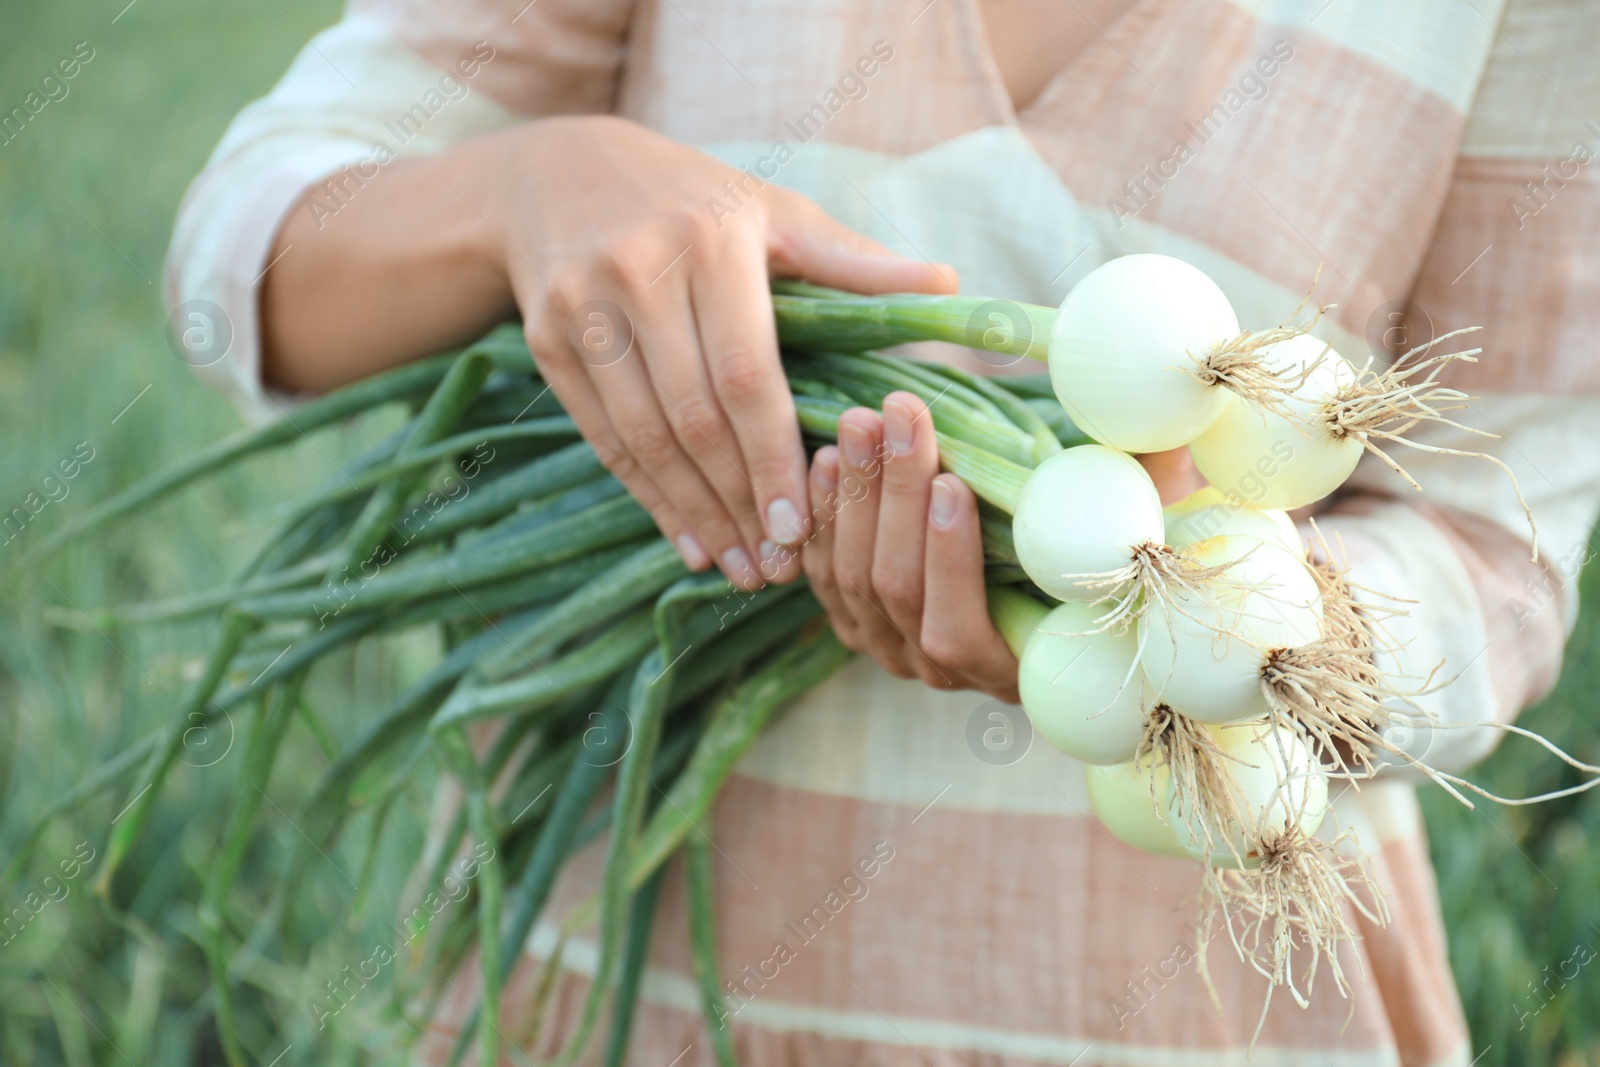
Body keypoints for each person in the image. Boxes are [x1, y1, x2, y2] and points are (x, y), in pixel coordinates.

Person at [167, 1, 1600, 1063]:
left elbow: (1498, 555)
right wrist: (527, 187)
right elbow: (240, 251)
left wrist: (1269, 630)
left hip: (1213, 1010)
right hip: (644, 992)